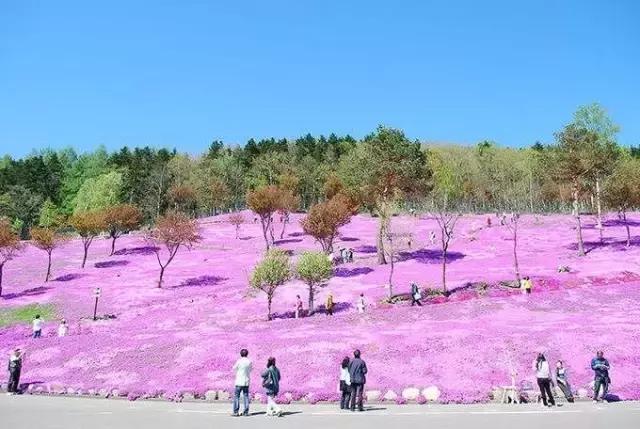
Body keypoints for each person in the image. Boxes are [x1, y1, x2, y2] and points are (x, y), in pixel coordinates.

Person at [232, 349, 252, 416]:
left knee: (236, 396)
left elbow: (234, 368)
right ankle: (246, 412)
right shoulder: (249, 361)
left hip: (239, 381)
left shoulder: (239, 361)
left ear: (241, 354)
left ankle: (236, 412)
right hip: (246, 381)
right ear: (247, 354)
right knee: (246, 396)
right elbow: (251, 369)